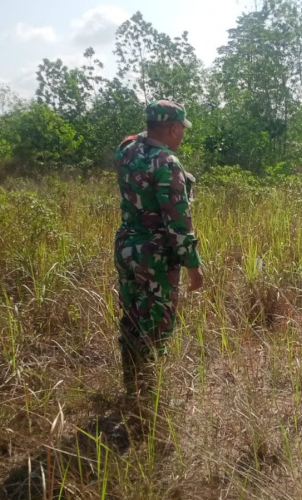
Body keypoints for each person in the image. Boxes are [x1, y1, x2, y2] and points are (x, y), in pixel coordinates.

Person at [113, 100, 204, 395]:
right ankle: (147, 395)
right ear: (174, 128)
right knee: (155, 325)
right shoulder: (167, 163)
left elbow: (136, 139)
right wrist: (194, 268)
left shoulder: (126, 151)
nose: (182, 136)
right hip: (154, 258)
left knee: (130, 320)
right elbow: (178, 224)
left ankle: (132, 386)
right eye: (181, 130)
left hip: (126, 249)